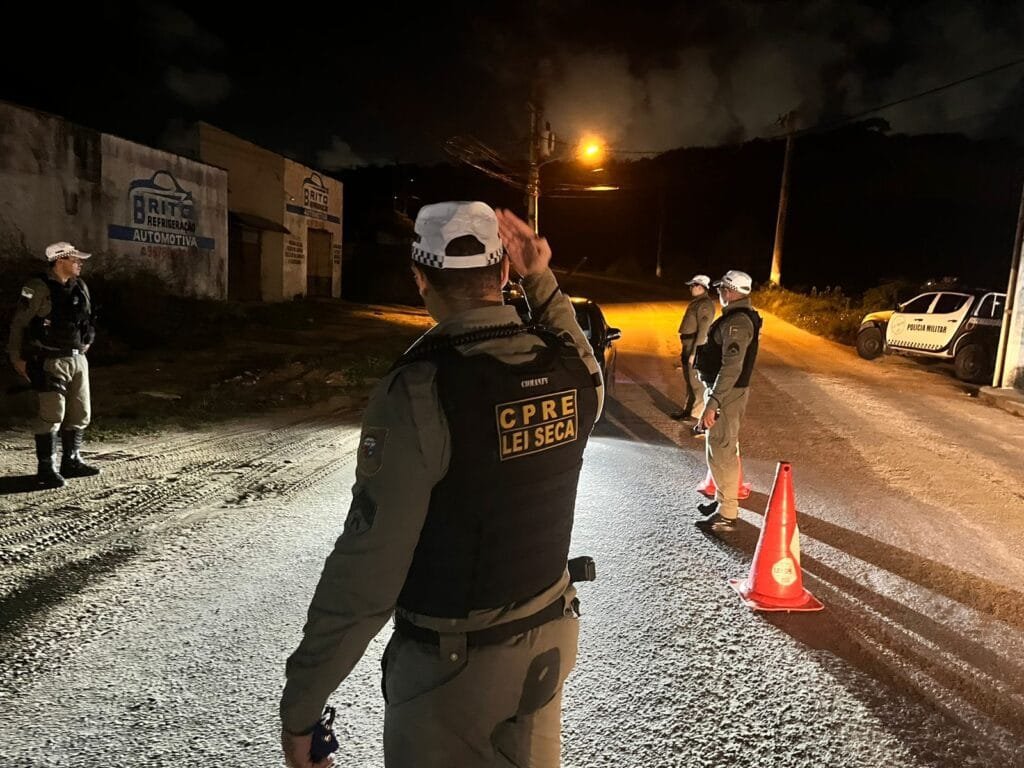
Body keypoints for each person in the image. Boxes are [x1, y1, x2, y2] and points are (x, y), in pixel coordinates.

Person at [280, 202, 604, 768]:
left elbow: (368, 570)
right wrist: (542, 278)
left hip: (455, 670)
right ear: (504, 272)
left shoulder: (420, 390)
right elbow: (577, 346)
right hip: (550, 640)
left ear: (420, 278)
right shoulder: (572, 371)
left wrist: (302, 706)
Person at [7, 241, 101, 488]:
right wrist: (16, 357)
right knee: (52, 414)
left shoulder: (80, 286)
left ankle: (72, 461)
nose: (79, 263)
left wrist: (88, 340)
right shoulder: (38, 287)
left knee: (80, 412)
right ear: (60, 260)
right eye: (74, 259)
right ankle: (46, 468)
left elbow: (87, 319)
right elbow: (19, 323)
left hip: (77, 359)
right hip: (49, 359)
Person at [693, 270, 761, 532]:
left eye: (722, 288)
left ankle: (727, 513)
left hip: (726, 394)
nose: (719, 292)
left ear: (731, 291)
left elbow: (731, 367)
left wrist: (713, 403)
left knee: (722, 450)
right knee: (719, 448)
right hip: (725, 393)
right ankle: (723, 500)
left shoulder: (738, 323)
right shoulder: (736, 317)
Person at [670, 274, 715, 421]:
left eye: (693, 285)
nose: (690, 288)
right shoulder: (697, 302)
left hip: (694, 346)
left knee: (696, 383)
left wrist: (695, 353)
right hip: (688, 345)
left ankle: (696, 415)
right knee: (689, 381)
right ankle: (688, 410)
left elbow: (703, 331)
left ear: (701, 287)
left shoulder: (705, 305)